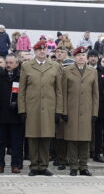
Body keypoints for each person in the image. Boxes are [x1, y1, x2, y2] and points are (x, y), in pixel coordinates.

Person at [18, 40, 63, 176]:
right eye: (39, 50)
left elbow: (59, 90)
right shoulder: (27, 66)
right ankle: (34, 166)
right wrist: (22, 109)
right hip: (32, 107)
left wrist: (58, 110)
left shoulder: (54, 66)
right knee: (33, 137)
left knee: (46, 136)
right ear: (35, 51)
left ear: (48, 51)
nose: (42, 52)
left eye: (44, 50)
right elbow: (22, 90)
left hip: (49, 107)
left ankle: (43, 166)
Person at [62, 46, 99, 176]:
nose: (81, 57)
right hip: (72, 110)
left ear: (86, 57)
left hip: (87, 110)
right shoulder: (67, 71)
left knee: (85, 139)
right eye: (78, 55)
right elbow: (64, 93)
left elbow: (95, 94)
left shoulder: (92, 72)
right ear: (74, 57)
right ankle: (73, 166)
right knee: (72, 139)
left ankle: (83, 166)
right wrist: (64, 112)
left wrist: (94, 112)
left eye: (83, 55)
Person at [0, 53, 23, 174]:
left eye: (11, 63)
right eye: (7, 63)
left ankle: (16, 165)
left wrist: (18, 105)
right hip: (2, 115)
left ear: (17, 64)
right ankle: (0, 165)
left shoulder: (21, 77)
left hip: (16, 116)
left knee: (17, 142)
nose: (8, 65)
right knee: (0, 142)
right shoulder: (1, 75)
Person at [87, 49, 104, 163]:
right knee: (85, 129)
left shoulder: (103, 71)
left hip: (100, 106)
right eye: (91, 56)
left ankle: (97, 153)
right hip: (85, 105)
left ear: (98, 58)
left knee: (98, 130)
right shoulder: (84, 70)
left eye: (95, 56)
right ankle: (86, 153)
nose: (93, 58)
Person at [52, 46, 69, 170]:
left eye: (62, 52)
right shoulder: (52, 66)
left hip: (69, 104)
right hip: (54, 103)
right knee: (56, 133)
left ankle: (65, 157)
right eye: (57, 52)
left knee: (65, 133)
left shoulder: (70, 65)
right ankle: (56, 156)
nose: (59, 54)